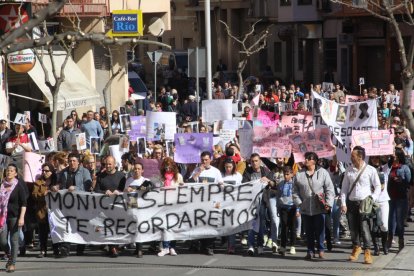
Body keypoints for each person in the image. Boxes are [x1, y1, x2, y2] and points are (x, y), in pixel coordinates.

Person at [340, 146, 381, 264]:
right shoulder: (348, 170)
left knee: (365, 228)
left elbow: (378, 186)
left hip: (365, 204)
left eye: (353, 156)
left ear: (360, 156)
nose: (351, 158)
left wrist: (372, 198)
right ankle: (356, 247)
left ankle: (367, 251)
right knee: (353, 228)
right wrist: (343, 203)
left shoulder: (370, 170)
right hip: (352, 203)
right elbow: (344, 189)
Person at [293, 152, 335, 260]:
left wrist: (329, 204)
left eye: (309, 158)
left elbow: (329, 189)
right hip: (305, 207)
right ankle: (310, 251)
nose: (306, 160)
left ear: (314, 161)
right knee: (308, 230)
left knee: (320, 229)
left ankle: (321, 249)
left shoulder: (323, 173)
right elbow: (295, 191)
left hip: (319, 207)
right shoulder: (299, 174)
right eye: (305, 158)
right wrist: (299, 203)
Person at [54, 153, 92, 257]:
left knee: (80, 225)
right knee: (66, 225)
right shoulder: (63, 172)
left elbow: (87, 187)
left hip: (81, 203)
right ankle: (65, 248)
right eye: (70, 161)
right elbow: (59, 183)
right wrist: (57, 186)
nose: (72, 163)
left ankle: (80, 247)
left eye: (74, 161)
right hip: (67, 204)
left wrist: (76, 189)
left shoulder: (85, 172)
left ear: (78, 162)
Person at [188, 151, 223, 255]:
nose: (204, 162)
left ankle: (208, 246)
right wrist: (198, 172)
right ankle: (200, 245)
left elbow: (220, 185)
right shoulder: (196, 170)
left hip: (212, 201)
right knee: (200, 223)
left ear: (210, 159)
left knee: (211, 223)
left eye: (206, 159)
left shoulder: (216, 171)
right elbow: (190, 183)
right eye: (202, 160)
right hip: (200, 201)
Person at [242, 153, 276, 256]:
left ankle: (260, 245)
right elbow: (244, 185)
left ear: (260, 161)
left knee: (261, 224)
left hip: (262, 202)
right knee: (251, 224)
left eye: (256, 161)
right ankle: (251, 245)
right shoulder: (247, 172)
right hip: (250, 203)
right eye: (252, 161)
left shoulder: (265, 171)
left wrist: (268, 181)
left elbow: (274, 184)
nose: (254, 163)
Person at [94, 156, 126, 257]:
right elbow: (96, 190)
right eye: (106, 164)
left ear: (114, 164)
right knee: (108, 226)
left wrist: (119, 192)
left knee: (117, 227)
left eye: (109, 164)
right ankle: (112, 247)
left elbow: (126, 190)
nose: (107, 166)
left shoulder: (121, 176)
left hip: (118, 206)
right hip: (105, 207)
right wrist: (104, 191)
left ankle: (116, 246)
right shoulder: (101, 176)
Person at [0, 164, 27, 273]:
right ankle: (9, 254)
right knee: (2, 241)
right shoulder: (1, 185)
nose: (9, 172)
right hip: (3, 217)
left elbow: (24, 204)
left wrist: (22, 218)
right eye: (8, 170)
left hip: (15, 217)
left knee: (14, 240)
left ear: (15, 173)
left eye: (12, 171)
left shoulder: (18, 186)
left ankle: (12, 263)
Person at [124, 162, 153, 258]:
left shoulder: (146, 180)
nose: (136, 170)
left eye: (138, 169)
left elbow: (151, 189)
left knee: (140, 226)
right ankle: (137, 248)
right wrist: (127, 190)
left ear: (142, 170)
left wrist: (141, 188)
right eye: (135, 169)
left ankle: (140, 249)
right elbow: (124, 192)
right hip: (132, 203)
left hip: (143, 206)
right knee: (134, 226)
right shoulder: (129, 180)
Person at [157, 157, 184, 257]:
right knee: (164, 226)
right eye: (166, 166)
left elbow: (183, 189)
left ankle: (172, 247)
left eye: (169, 166)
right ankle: (165, 247)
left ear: (173, 166)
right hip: (164, 204)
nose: (167, 168)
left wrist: (182, 186)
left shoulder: (178, 176)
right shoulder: (161, 177)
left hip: (175, 205)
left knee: (174, 226)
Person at [387, 148, 411, 252]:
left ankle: (401, 240)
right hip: (390, 198)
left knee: (400, 221)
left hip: (401, 198)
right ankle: (390, 239)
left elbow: (408, 182)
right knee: (390, 221)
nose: (392, 155)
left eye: (394, 154)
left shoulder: (405, 168)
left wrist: (400, 180)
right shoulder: (388, 167)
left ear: (398, 155)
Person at [32, 163, 56, 258]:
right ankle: (43, 250)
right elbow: (34, 195)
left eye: (47, 171)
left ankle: (56, 249)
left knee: (55, 231)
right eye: (43, 170)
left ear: (51, 171)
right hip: (42, 210)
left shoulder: (56, 181)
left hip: (54, 211)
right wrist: (43, 195)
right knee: (43, 232)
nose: (44, 172)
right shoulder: (38, 182)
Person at [369, 155, 391, 256]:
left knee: (384, 225)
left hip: (383, 201)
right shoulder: (368, 170)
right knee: (373, 226)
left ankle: (384, 245)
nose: (375, 159)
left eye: (377, 157)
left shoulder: (385, 169)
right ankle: (376, 247)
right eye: (373, 158)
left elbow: (392, 159)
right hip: (372, 201)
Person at [221, 158, 242, 254]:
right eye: (226, 167)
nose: (228, 169)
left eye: (230, 167)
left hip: (234, 203)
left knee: (231, 225)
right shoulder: (221, 175)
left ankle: (231, 245)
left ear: (233, 166)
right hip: (223, 203)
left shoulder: (238, 176)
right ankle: (225, 241)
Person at [277, 166, 297, 256]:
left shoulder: (295, 184)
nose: (286, 176)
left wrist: (299, 209)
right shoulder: (281, 183)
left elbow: (297, 196)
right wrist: (278, 207)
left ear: (292, 174)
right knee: (284, 226)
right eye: (284, 174)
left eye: (288, 174)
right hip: (283, 207)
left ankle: (292, 245)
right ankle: (283, 246)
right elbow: (278, 195)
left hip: (292, 207)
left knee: (292, 227)